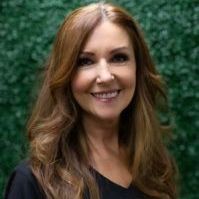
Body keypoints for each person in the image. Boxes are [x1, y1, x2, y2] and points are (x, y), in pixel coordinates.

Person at [4, 2, 178, 199]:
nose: (105, 76)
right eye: (86, 61)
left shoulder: (155, 167)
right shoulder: (33, 182)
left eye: (119, 58)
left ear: (138, 69)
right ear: (65, 75)